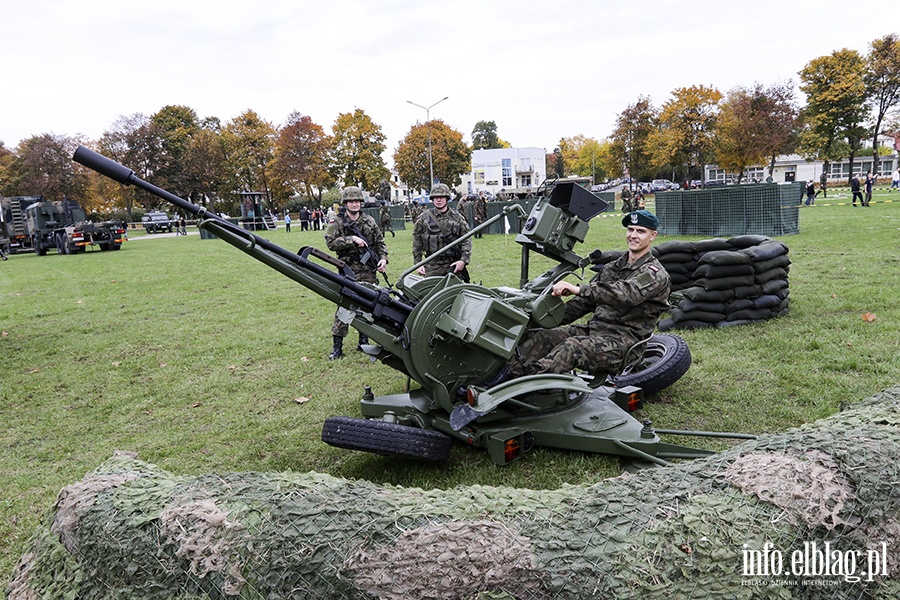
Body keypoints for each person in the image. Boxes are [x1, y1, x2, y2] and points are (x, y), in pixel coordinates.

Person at [491, 210, 670, 382]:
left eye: (641, 231)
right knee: (544, 336)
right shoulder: (612, 268)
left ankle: (525, 385)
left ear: (652, 236)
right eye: (630, 229)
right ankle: (503, 378)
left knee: (571, 348)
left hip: (622, 343)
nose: (633, 235)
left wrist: (578, 288)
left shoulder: (654, 273)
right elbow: (582, 304)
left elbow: (626, 294)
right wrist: (541, 317)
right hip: (594, 331)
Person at [324, 186, 388, 360]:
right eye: (350, 201)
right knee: (344, 306)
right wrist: (351, 239)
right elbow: (330, 243)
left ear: (361, 203)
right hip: (348, 271)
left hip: (369, 271)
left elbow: (380, 243)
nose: (354, 204)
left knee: (368, 306)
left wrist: (383, 259)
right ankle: (337, 347)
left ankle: (364, 342)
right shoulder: (337, 222)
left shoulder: (369, 221)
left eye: (357, 201)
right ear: (346, 203)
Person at [412, 183, 471, 279]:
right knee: (431, 293)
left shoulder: (457, 217)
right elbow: (417, 241)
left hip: (453, 265)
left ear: (447, 198)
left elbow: (466, 239)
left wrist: (463, 260)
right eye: (436, 197)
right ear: (432, 199)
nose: (439, 200)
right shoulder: (424, 218)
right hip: (431, 266)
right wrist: (418, 264)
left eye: (442, 197)